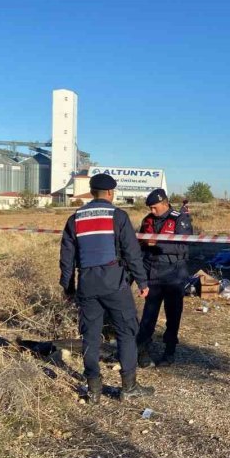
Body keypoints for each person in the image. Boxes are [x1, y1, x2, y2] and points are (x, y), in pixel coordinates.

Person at [59, 173, 153, 404]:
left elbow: (67, 258)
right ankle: (128, 387)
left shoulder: (75, 218)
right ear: (110, 193)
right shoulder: (117, 216)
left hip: (87, 284)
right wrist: (142, 282)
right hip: (114, 282)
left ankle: (93, 390)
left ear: (92, 192)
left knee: (90, 335)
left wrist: (68, 287)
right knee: (126, 331)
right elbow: (132, 252)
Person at [136, 188, 194, 368]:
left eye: (155, 207)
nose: (152, 211)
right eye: (150, 208)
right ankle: (142, 349)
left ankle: (169, 351)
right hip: (152, 273)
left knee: (173, 314)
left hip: (174, 274)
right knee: (149, 315)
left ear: (165, 203)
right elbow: (140, 247)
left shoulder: (179, 219)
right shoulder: (147, 221)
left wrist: (158, 243)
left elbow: (184, 245)